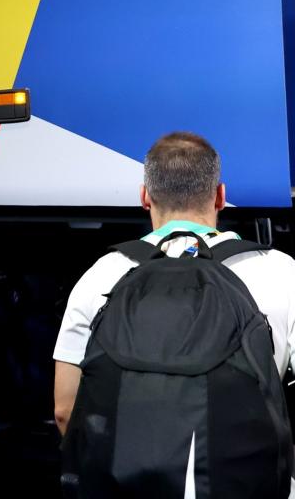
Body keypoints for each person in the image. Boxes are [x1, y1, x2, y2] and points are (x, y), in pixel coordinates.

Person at [53, 131, 295, 495]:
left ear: (145, 197)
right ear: (220, 196)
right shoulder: (281, 272)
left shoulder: (99, 276)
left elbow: (65, 410)